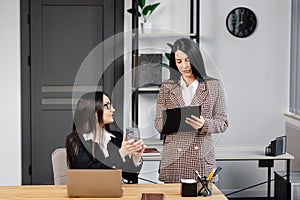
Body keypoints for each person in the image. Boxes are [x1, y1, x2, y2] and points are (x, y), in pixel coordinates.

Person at [154, 38, 228, 183]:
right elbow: (158, 123)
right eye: (179, 61)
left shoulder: (213, 86)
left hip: (200, 156)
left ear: (195, 58)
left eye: (187, 60)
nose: (184, 66)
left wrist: (204, 124)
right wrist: (172, 122)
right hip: (175, 158)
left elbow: (223, 122)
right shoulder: (167, 87)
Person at [66, 91, 145, 183]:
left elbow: (129, 176)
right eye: (107, 106)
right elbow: (87, 175)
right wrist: (121, 154)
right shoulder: (76, 141)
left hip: (117, 193)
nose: (113, 110)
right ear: (93, 111)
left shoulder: (116, 137)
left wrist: (136, 157)